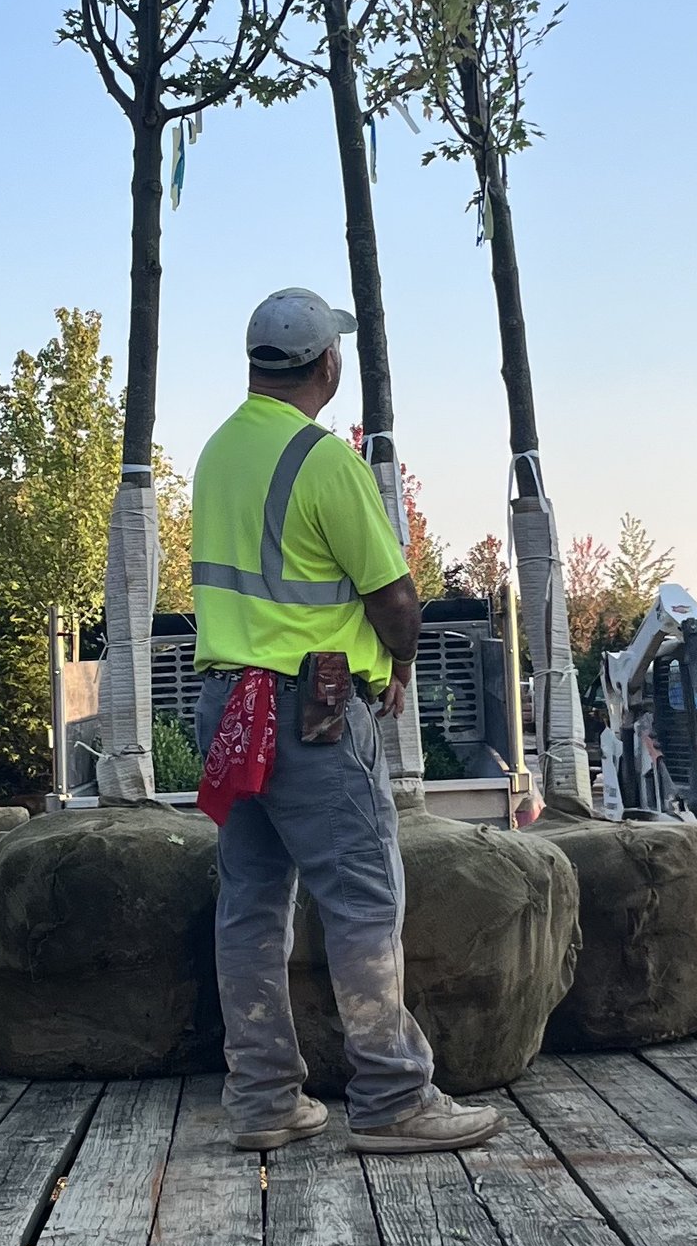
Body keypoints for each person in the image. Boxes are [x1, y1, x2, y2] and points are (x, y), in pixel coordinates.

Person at [190, 288, 501, 1157]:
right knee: (364, 899)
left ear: (255, 362)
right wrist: (398, 663)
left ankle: (261, 1099)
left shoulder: (215, 454)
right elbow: (396, 598)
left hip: (230, 708)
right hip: (312, 710)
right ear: (329, 364)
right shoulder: (325, 461)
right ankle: (394, 1095)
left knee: (250, 903)